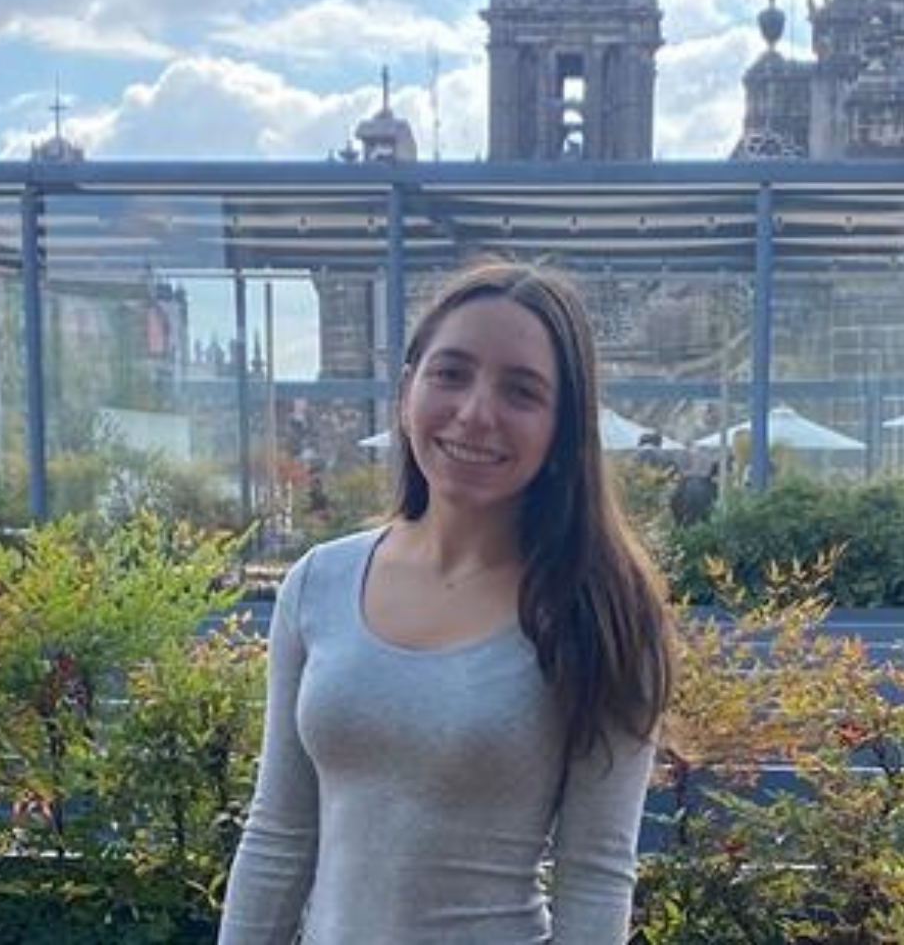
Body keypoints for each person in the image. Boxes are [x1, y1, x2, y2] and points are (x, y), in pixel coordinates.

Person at [218, 261, 675, 944]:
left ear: (564, 428)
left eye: (521, 391)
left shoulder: (602, 612)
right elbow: (278, 835)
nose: (476, 412)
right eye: (451, 373)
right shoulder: (318, 584)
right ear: (407, 389)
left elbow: (596, 875)